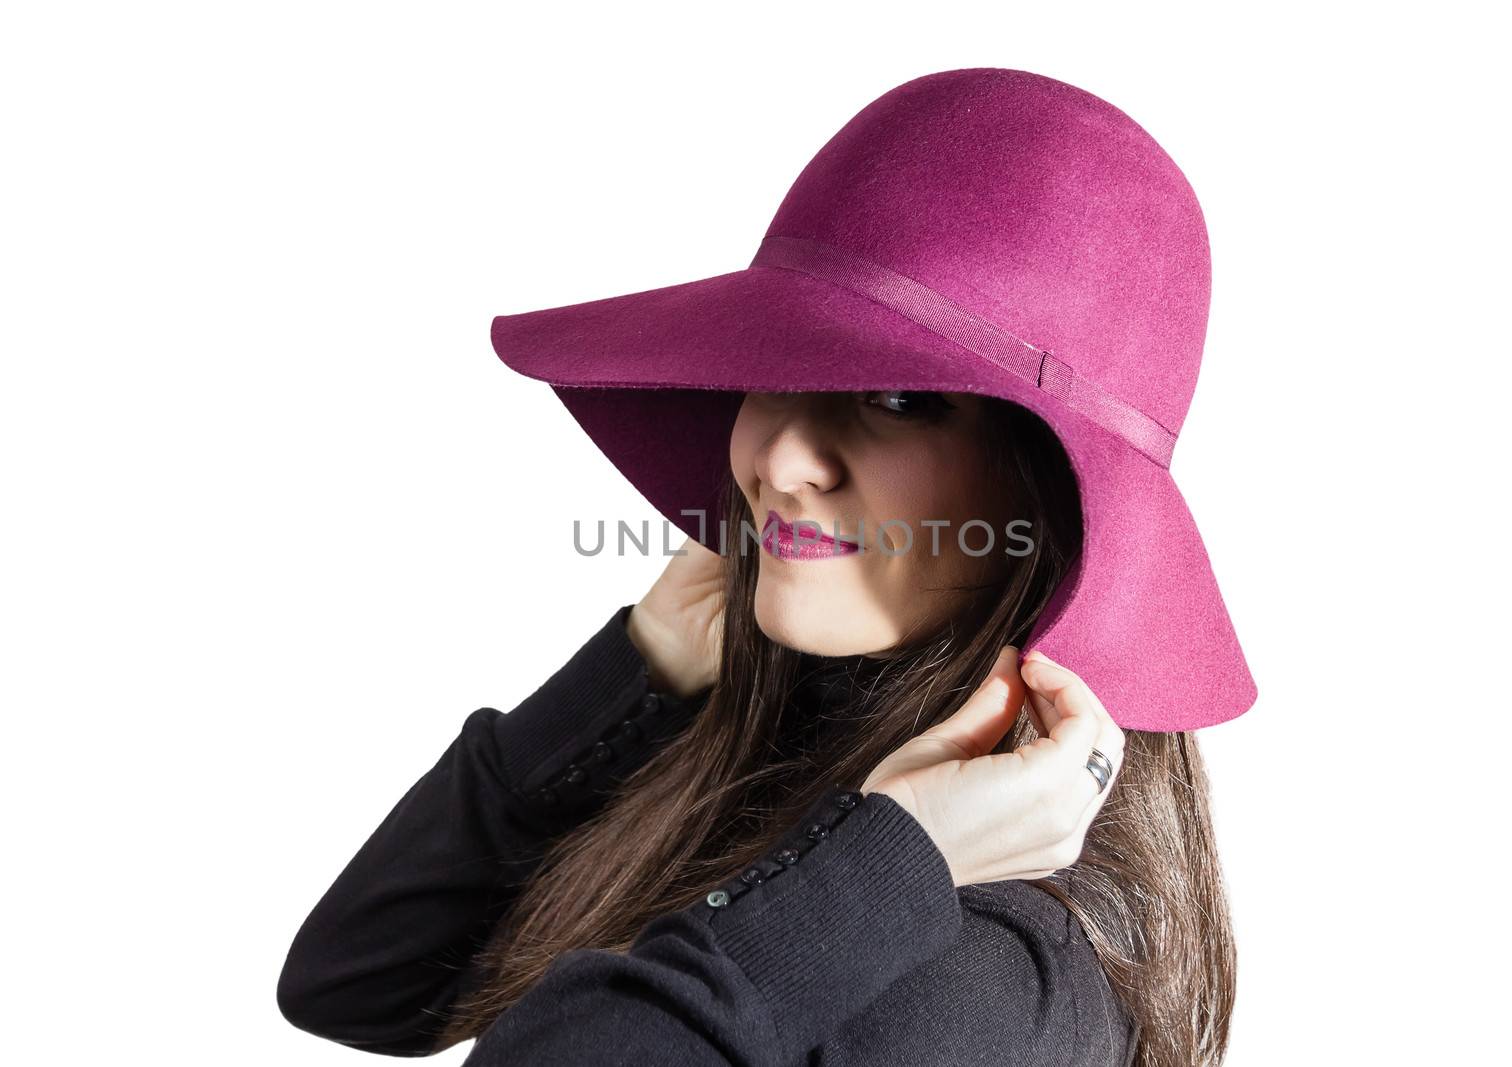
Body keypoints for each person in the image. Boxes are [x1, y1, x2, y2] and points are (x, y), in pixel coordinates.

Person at [280, 66, 1255, 1066]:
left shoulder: (985, 968)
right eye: (773, 367)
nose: (781, 460)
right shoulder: (763, 750)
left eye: (897, 398)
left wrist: (887, 874)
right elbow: (362, 979)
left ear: (1049, 494)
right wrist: (641, 668)